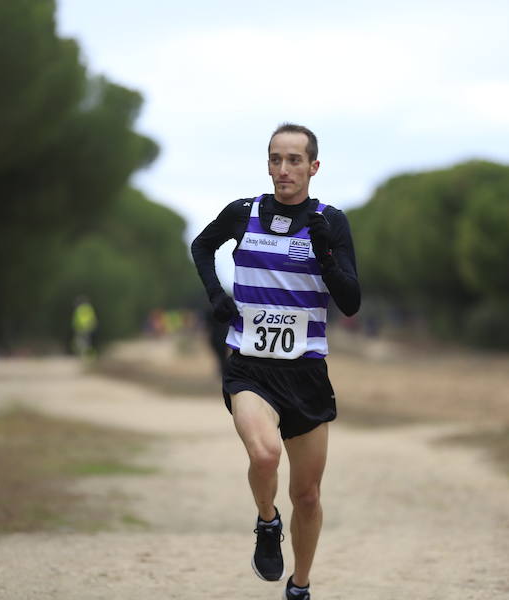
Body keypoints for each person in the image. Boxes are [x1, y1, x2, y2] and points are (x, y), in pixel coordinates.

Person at [190, 123, 360, 599]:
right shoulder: (244, 213)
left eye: (293, 160)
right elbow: (202, 246)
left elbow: (350, 302)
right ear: (268, 164)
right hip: (251, 367)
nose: (283, 170)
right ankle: (267, 521)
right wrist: (216, 296)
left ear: (313, 167)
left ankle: (300, 585)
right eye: (275, 159)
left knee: (307, 497)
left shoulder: (331, 221)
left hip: (306, 373)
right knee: (264, 455)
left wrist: (326, 254)